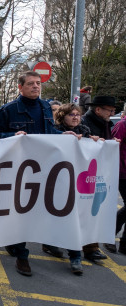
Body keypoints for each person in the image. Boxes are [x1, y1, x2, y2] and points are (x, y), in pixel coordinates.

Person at [0, 71, 76, 276]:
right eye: (31, 84)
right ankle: (22, 256)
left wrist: (63, 134)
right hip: (21, 169)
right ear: (20, 87)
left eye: (38, 83)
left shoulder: (46, 107)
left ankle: (20, 243)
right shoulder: (8, 110)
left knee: (42, 209)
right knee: (22, 211)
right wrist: (13, 135)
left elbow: (49, 133)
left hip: (45, 168)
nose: (36, 87)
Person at [53, 103, 103, 274]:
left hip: (79, 182)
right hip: (59, 181)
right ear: (62, 116)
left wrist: (96, 142)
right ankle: (55, 245)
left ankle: (75, 257)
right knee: (61, 218)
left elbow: (90, 153)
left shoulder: (85, 129)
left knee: (75, 218)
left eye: (77, 114)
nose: (75, 117)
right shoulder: (55, 131)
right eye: (70, 114)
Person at [80, 95, 118, 262]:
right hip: (85, 173)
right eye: (110, 110)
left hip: (97, 173)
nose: (112, 113)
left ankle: (91, 247)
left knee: (94, 209)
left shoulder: (105, 123)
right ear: (98, 110)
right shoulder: (85, 123)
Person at [106, 101, 126, 255]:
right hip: (122, 172)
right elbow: (112, 147)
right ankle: (113, 234)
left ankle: (112, 236)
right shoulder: (121, 125)